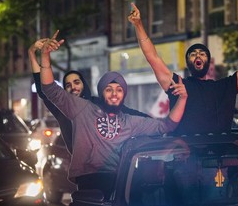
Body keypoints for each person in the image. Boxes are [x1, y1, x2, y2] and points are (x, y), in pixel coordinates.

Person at [39, 31, 187, 199]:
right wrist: (45, 56)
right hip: (89, 181)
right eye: (109, 90)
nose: (114, 94)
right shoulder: (83, 109)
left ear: (124, 95)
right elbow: (50, 89)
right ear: (102, 94)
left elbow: (166, 125)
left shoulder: (130, 122)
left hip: (119, 181)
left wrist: (182, 98)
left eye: (119, 90)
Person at [128, 3, 238, 136]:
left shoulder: (224, 87)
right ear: (188, 62)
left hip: (219, 159)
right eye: (193, 54)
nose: (198, 55)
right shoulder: (178, 85)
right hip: (186, 159)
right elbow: (153, 58)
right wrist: (138, 25)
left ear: (208, 61)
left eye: (202, 53)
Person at [28, 35, 150, 154]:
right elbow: (42, 88)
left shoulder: (98, 103)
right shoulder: (62, 109)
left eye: (76, 82)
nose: (73, 87)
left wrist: (160, 124)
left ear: (84, 84)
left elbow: (129, 113)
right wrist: (32, 52)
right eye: (68, 85)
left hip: (109, 168)